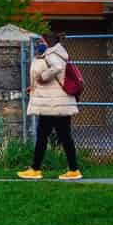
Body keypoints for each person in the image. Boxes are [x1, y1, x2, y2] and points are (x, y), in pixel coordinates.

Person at [20, 31, 82, 180]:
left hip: (53, 104)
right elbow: (56, 77)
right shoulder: (57, 54)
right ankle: (72, 169)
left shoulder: (52, 55)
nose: (39, 44)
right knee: (63, 136)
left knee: (44, 136)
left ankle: (36, 169)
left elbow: (57, 68)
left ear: (48, 42)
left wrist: (42, 77)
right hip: (56, 102)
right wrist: (34, 87)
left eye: (41, 42)